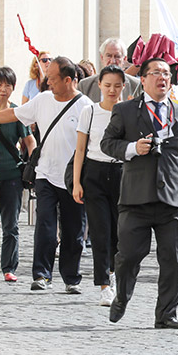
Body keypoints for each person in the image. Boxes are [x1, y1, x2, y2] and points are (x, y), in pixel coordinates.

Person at [0, 56, 91, 293]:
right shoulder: (42, 100)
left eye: (52, 78)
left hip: (74, 178)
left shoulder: (86, 106)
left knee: (74, 230)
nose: (47, 82)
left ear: (68, 80)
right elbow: (12, 115)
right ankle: (41, 275)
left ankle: (71, 278)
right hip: (44, 174)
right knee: (45, 225)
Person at [101, 57, 178, 328]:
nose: (163, 78)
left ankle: (166, 314)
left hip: (172, 200)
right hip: (136, 198)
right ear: (144, 79)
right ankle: (122, 296)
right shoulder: (125, 110)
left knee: (174, 260)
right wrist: (133, 148)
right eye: (156, 73)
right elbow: (107, 143)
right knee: (128, 257)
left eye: (167, 74)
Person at [71, 65, 126, 306]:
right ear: (99, 86)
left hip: (122, 173)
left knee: (119, 232)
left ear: (124, 86)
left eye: (117, 85)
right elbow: (80, 149)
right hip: (94, 172)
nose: (112, 90)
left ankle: (115, 274)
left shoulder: (128, 112)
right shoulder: (89, 111)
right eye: (107, 85)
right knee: (100, 230)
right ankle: (104, 283)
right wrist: (76, 182)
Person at [0, 67, 34, 283]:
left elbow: (29, 141)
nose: (3, 89)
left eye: (8, 85)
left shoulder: (17, 113)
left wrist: (33, 165)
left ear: (14, 88)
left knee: (11, 224)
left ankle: (9, 267)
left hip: (11, 174)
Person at [78, 38, 141, 103]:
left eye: (117, 56)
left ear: (124, 59)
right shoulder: (85, 85)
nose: (112, 61)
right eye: (109, 56)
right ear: (102, 58)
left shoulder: (136, 85)